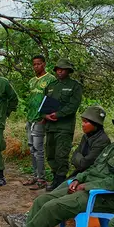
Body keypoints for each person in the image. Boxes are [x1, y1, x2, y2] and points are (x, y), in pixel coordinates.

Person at [41, 58, 83, 191]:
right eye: (58, 69)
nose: (60, 71)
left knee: (61, 155)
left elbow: (73, 106)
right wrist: (45, 115)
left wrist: (57, 115)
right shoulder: (51, 86)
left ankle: (59, 182)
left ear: (68, 71)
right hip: (50, 127)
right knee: (50, 154)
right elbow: (44, 105)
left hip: (64, 127)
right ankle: (55, 178)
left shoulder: (74, 86)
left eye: (63, 69)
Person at [22, 55, 56, 190]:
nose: (36, 66)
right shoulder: (31, 81)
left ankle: (42, 179)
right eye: (34, 64)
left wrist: (44, 117)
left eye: (38, 64)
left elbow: (52, 99)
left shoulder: (50, 79)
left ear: (44, 64)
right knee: (31, 149)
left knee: (38, 149)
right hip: (30, 118)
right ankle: (35, 176)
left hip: (40, 119)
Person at [69, 105, 110, 176]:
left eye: (85, 122)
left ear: (95, 124)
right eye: (82, 121)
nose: (82, 125)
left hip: (93, 175)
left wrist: (79, 159)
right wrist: (79, 159)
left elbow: (84, 164)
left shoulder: (102, 141)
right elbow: (74, 156)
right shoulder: (86, 136)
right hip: (80, 173)